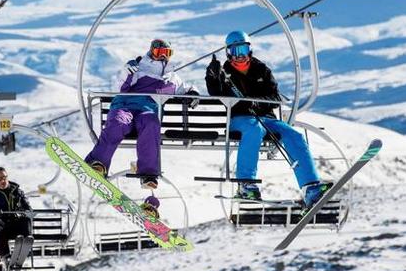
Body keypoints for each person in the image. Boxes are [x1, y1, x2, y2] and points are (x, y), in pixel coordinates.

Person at [205, 30, 332, 207]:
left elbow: (274, 97)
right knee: (254, 129)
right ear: (228, 52)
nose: (239, 55)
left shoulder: (261, 69)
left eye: (243, 49)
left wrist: (259, 104)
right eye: (235, 51)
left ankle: (310, 187)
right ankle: (246, 184)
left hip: (266, 117)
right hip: (241, 119)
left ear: (249, 49)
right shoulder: (224, 72)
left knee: (294, 136)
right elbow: (216, 93)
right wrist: (211, 76)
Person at [84, 39, 199, 190]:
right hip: (126, 105)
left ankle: (148, 173)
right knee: (119, 122)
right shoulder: (139, 66)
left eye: (167, 53)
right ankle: (98, 163)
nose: (163, 57)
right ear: (152, 51)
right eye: (160, 52)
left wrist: (193, 93)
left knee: (152, 124)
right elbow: (119, 87)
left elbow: (186, 88)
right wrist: (128, 72)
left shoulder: (171, 78)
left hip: (147, 110)